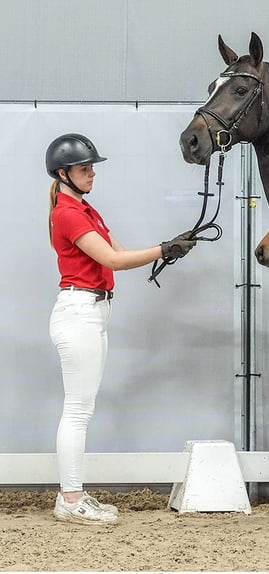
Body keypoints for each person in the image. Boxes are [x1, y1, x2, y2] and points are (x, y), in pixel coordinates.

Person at [46, 133, 196, 525]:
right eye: (84, 168)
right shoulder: (68, 213)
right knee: (77, 409)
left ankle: (74, 494)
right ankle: (71, 498)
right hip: (79, 311)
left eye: (92, 167)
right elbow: (113, 260)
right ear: (64, 174)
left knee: (82, 407)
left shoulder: (86, 209)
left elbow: (120, 251)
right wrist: (164, 250)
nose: (92, 173)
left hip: (94, 311)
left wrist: (168, 247)